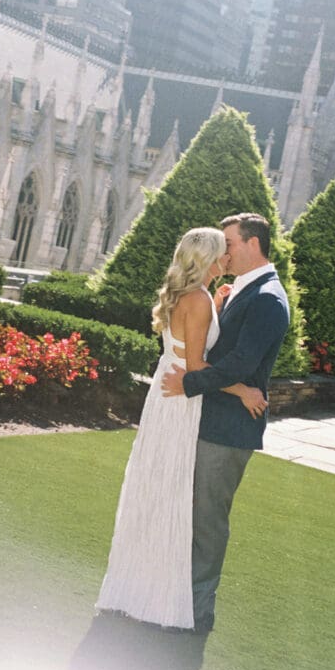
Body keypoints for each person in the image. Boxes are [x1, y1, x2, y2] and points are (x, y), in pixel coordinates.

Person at [96, 227, 264, 630]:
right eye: (222, 253)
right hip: (180, 401)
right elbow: (196, 367)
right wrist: (243, 390)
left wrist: (217, 305)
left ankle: (134, 587)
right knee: (169, 492)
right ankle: (157, 599)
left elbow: (185, 349)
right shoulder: (200, 300)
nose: (227, 258)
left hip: (165, 395)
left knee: (154, 489)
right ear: (206, 259)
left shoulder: (192, 296)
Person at [161, 213, 289, 634]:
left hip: (228, 428)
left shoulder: (269, 298)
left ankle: (197, 614)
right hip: (204, 419)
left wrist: (190, 382)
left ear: (253, 244)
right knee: (189, 513)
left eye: (230, 244)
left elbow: (241, 362)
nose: (224, 251)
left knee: (208, 520)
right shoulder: (237, 291)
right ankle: (175, 599)